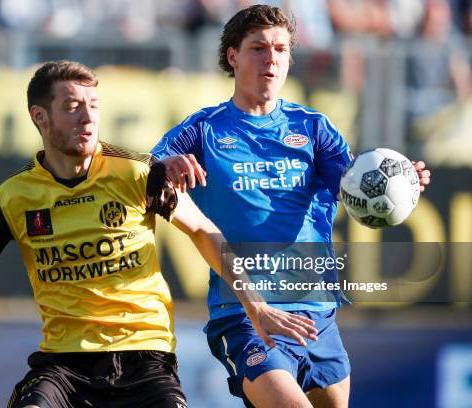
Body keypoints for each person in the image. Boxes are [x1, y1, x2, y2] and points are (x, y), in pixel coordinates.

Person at [0, 59, 317, 408]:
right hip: (63, 367)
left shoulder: (135, 172)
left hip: (145, 359)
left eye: (94, 104)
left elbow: (204, 231)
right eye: (73, 106)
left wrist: (256, 307)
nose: (89, 117)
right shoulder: (14, 197)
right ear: (40, 117)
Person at [151, 5, 431, 408]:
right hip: (245, 314)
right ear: (232, 55)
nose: (272, 59)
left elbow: (356, 190)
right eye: (259, 48)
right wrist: (164, 165)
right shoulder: (203, 129)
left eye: (281, 49)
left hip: (316, 313)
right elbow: (143, 169)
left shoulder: (313, 128)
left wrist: (397, 187)